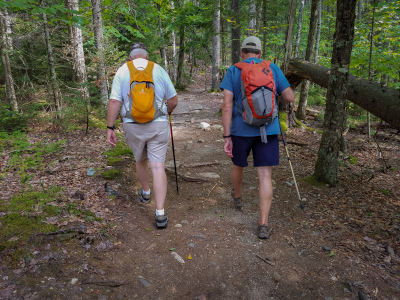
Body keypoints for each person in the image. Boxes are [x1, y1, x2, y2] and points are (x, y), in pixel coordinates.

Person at [219, 36, 295, 239]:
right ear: (260, 53)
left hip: (240, 130)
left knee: (238, 165)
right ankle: (263, 223)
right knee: (265, 176)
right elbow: (289, 97)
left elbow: (227, 105)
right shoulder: (272, 68)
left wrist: (227, 135)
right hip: (268, 130)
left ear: (242, 52)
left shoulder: (234, 70)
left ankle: (237, 197)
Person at [107, 42, 178, 229]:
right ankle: (160, 213)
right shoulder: (158, 69)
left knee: (140, 160)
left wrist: (110, 127)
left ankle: (146, 192)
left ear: (130, 58)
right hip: (158, 125)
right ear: (147, 58)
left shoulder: (123, 70)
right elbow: (173, 100)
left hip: (132, 125)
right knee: (158, 166)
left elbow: (115, 101)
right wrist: (166, 112)